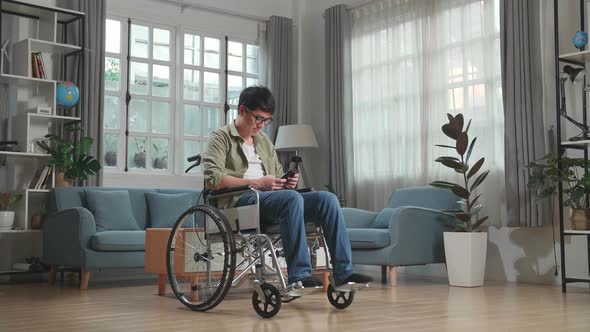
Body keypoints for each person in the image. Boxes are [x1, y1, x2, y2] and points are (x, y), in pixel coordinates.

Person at [203, 86, 372, 288]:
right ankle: (299, 275)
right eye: (258, 118)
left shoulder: (264, 141)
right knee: (291, 198)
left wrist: (285, 181)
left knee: (327, 200)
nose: (262, 125)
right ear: (242, 111)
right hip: (239, 202)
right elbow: (212, 178)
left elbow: (275, 174)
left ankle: (344, 273)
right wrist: (256, 183)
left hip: (271, 200)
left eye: (266, 120)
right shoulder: (220, 137)